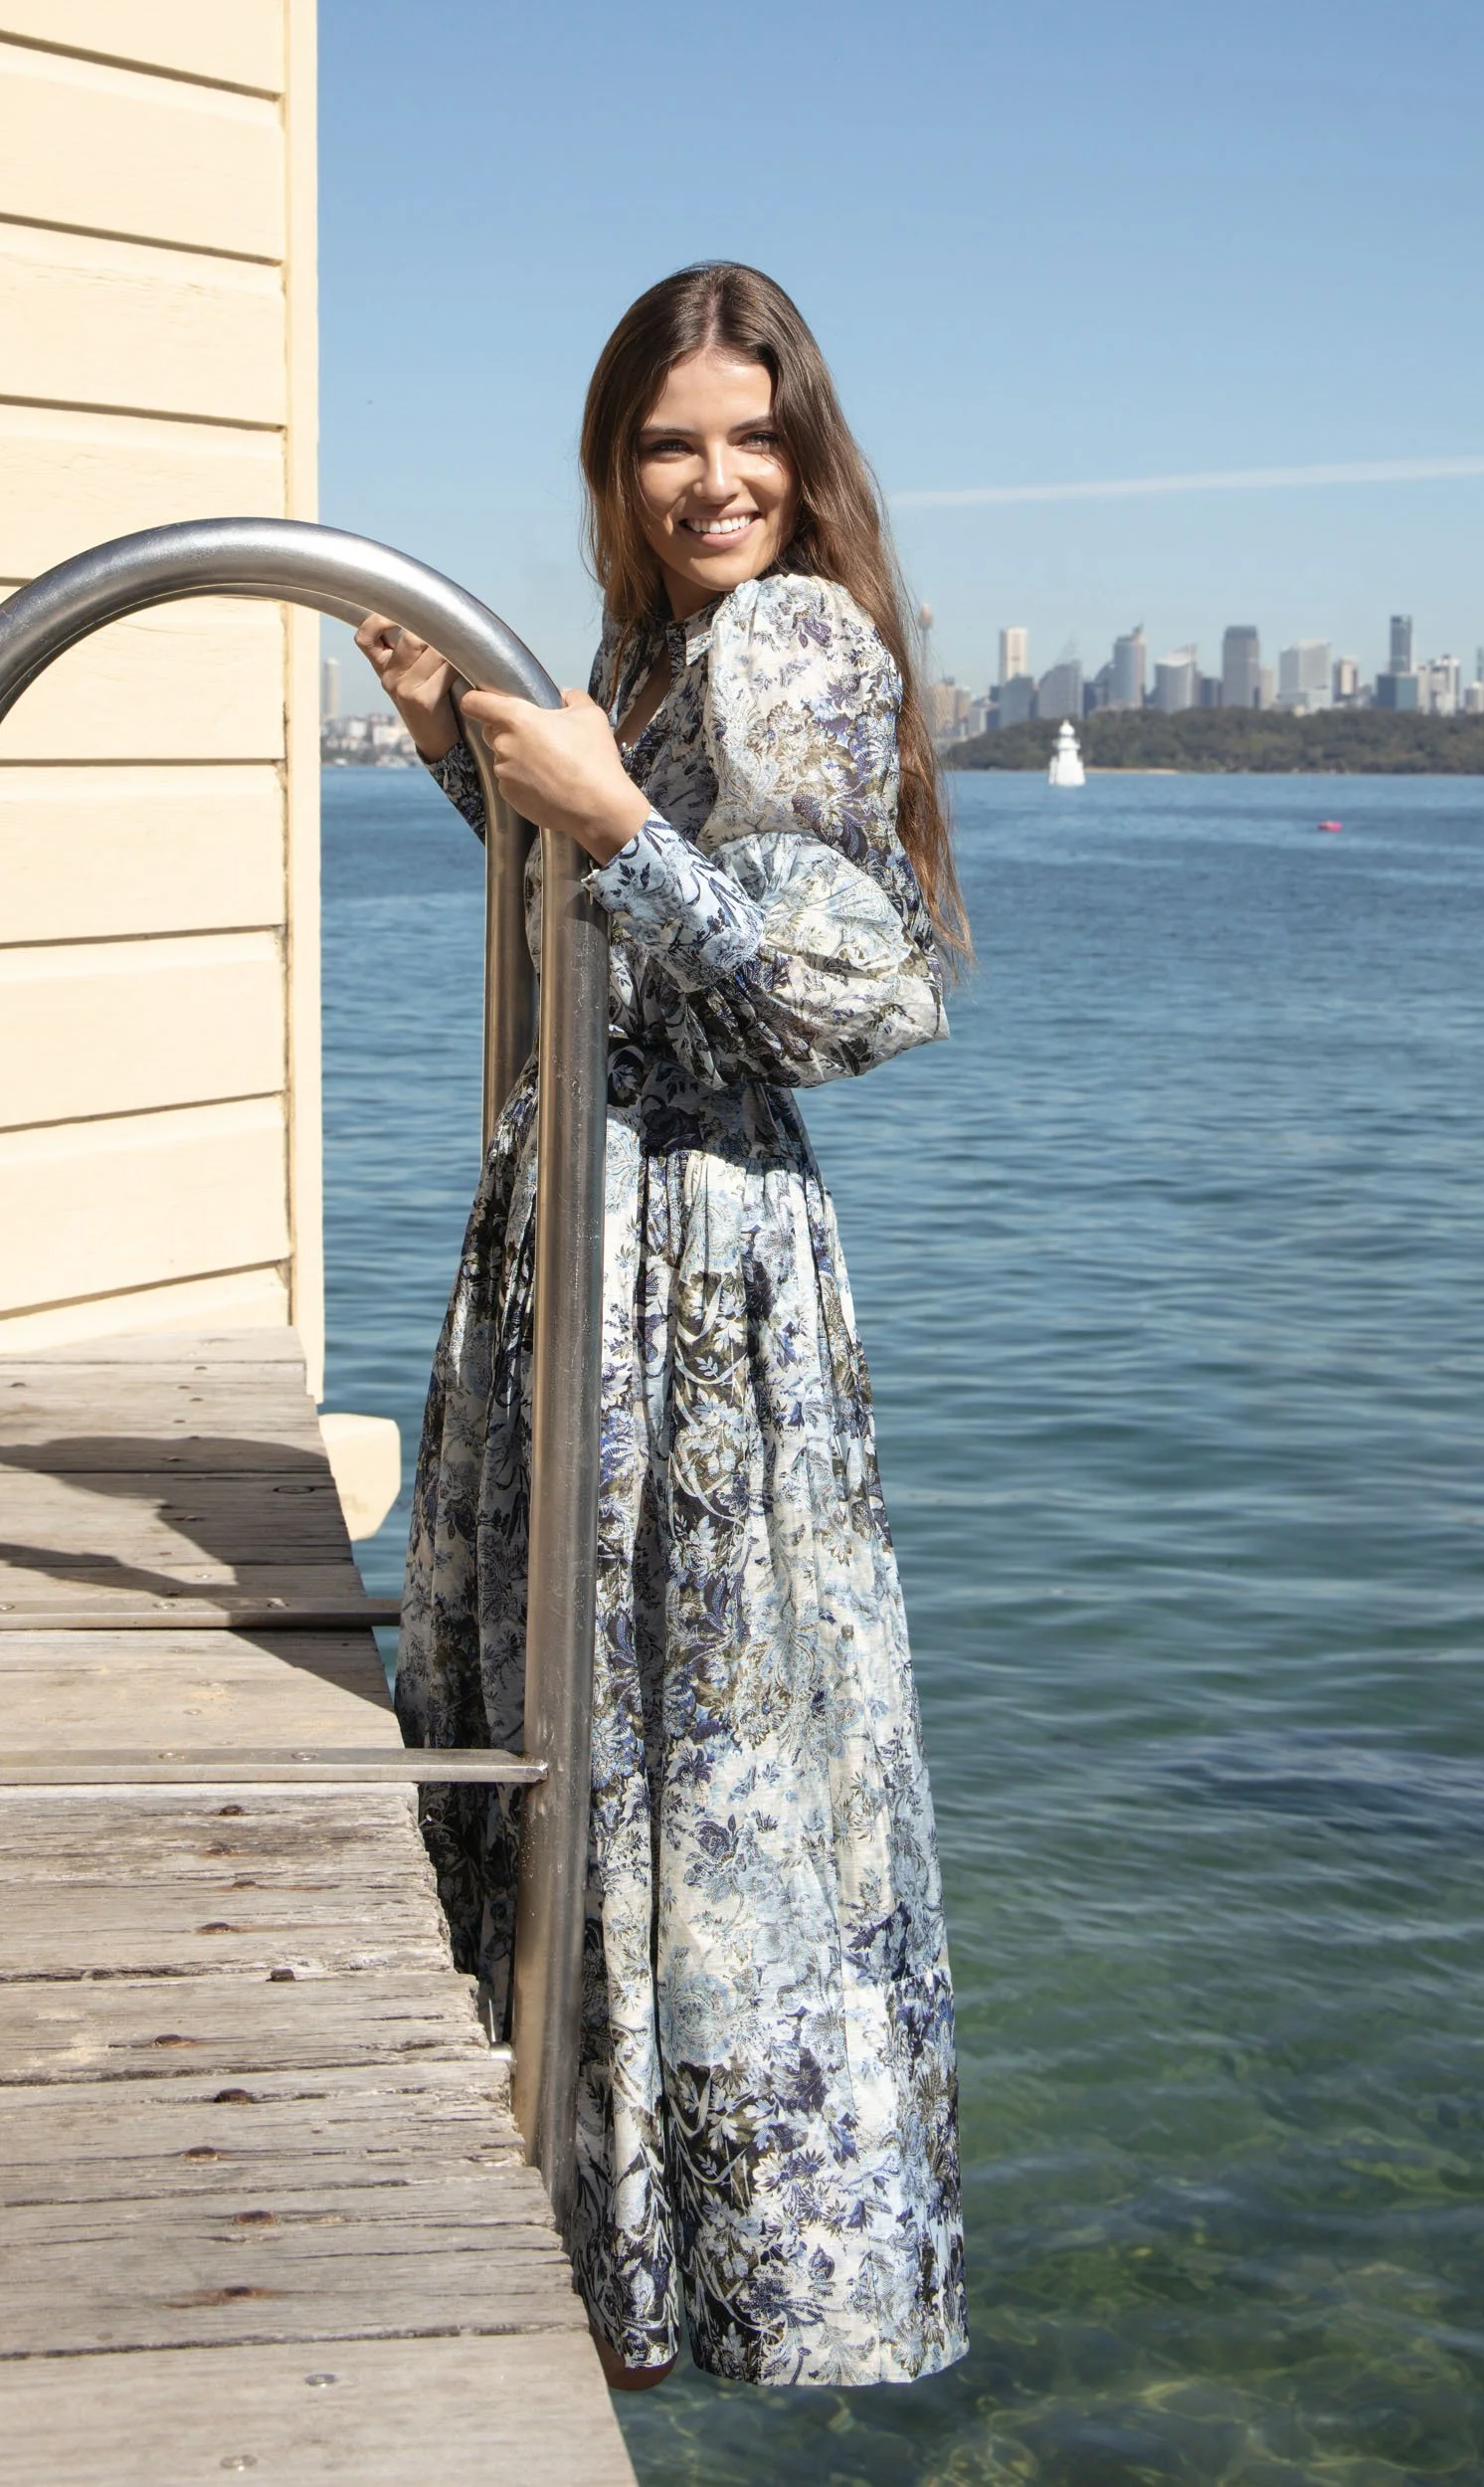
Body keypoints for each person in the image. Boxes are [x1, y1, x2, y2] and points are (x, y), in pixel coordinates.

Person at [354, 263, 969, 2393]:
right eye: (667, 443)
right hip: (603, 1230)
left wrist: (614, 816)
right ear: (617, 467)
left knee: (679, 1742)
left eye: (751, 437)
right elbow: (612, 911)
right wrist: (466, 745)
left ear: (808, 455)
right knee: (604, 1713)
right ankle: (596, 2243)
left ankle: (667, 2270)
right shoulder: (656, 644)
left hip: (694, 1260)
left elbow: (852, 993)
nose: (715, 480)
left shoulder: (798, 645)